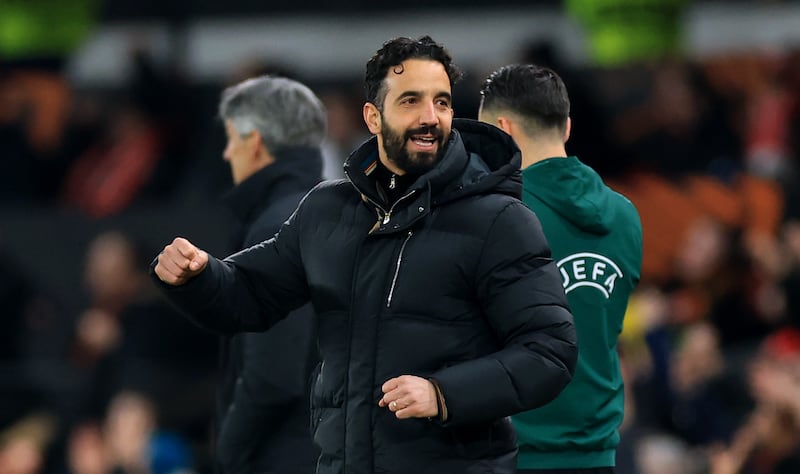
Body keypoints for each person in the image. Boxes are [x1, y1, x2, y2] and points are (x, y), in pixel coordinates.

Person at [151, 35, 578, 474]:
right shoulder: (326, 211)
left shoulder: (499, 220)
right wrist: (197, 276)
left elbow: (550, 351)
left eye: (443, 102)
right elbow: (251, 293)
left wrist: (444, 393)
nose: (430, 117)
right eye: (411, 101)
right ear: (373, 117)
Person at [478, 63, 643, 473]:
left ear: (503, 129)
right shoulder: (626, 216)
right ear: (566, 126)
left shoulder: (496, 217)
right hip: (597, 453)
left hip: (515, 453)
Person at [214, 75, 326, 473]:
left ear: (256, 142)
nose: (227, 154)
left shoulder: (276, 226)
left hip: (283, 454)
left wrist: (227, 452)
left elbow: (272, 376)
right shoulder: (331, 213)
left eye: (231, 138)